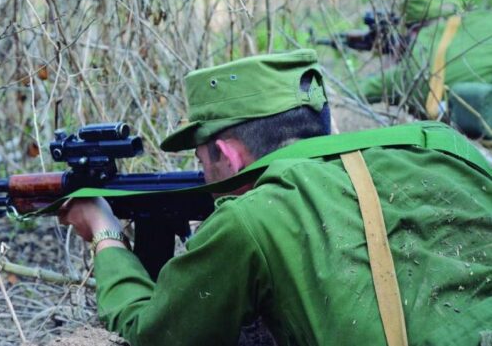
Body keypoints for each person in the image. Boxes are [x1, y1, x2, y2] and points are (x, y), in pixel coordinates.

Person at [58, 49, 492, 346]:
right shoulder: (440, 144)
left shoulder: (249, 221)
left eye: (202, 161)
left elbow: (152, 335)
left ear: (226, 153)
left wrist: (104, 232)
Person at [359, 0, 492, 140]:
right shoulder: (485, 20)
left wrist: (390, 64)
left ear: (416, 27)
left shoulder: (417, 61)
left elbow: (353, 92)